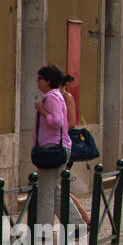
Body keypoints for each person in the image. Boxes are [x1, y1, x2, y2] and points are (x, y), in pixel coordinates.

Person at [32, 65, 72, 225]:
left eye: (40, 78)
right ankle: (76, 224)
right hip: (57, 147)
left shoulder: (51, 98)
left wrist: (42, 111)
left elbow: (57, 122)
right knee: (56, 191)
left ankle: (43, 230)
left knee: (46, 193)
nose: (37, 81)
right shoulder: (56, 95)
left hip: (52, 147)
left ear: (48, 81)